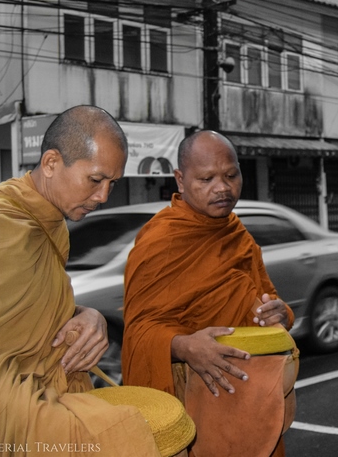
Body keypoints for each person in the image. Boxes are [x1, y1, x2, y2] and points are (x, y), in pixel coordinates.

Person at [0, 106, 161, 456]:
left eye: (113, 184)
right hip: (2, 403)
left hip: (50, 385)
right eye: (95, 180)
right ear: (51, 163)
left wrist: (86, 314)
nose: (104, 197)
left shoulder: (49, 220)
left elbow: (27, 305)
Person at [122, 130, 296, 457]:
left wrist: (280, 313)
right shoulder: (160, 241)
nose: (223, 188)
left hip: (252, 399)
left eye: (231, 175)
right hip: (193, 400)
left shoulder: (237, 233)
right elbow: (138, 333)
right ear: (180, 180)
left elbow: (269, 301)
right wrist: (186, 347)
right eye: (206, 179)